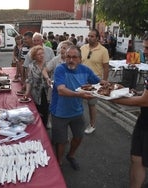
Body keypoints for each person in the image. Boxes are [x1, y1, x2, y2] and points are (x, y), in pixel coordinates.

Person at [50, 45, 106, 170]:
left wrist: (112, 86)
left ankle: (71, 155)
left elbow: (98, 82)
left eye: (74, 57)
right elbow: (61, 90)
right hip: (59, 112)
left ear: (80, 59)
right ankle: (58, 162)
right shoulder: (60, 69)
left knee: (78, 136)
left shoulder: (85, 70)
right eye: (68, 57)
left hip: (77, 111)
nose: (70, 60)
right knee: (61, 140)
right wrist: (79, 94)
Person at [110, 33, 148, 188]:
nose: (144, 51)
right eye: (144, 47)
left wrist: (113, 98)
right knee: (136, 158)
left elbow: (145, 101)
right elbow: (144, 96)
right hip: (144, 121)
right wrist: (134, 92)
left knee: (139, 159)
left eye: (147, 48)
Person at [80, 28, 109, 134]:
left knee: (91, 104)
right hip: (81, 80)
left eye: (92, 36)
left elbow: (106, 67)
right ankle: (78, 123)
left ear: (97, 38)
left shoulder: (103, 51)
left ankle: (92, 125)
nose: (90, 38)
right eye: (89, 36)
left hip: (95, 81)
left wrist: (104, 81)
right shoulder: (83, 48)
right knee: (78, 102)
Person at [24, 45, 50, 127]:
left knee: (46, 111)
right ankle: (39, 129)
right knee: (38, 112)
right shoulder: (31, 66)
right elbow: (29, 80)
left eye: (42, 53)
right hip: (36, 93)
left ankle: (45, 127)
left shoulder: (48, 64)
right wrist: (27, 91)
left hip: (48, 92)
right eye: (39, 54)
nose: (41, 55)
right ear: (34, 56)